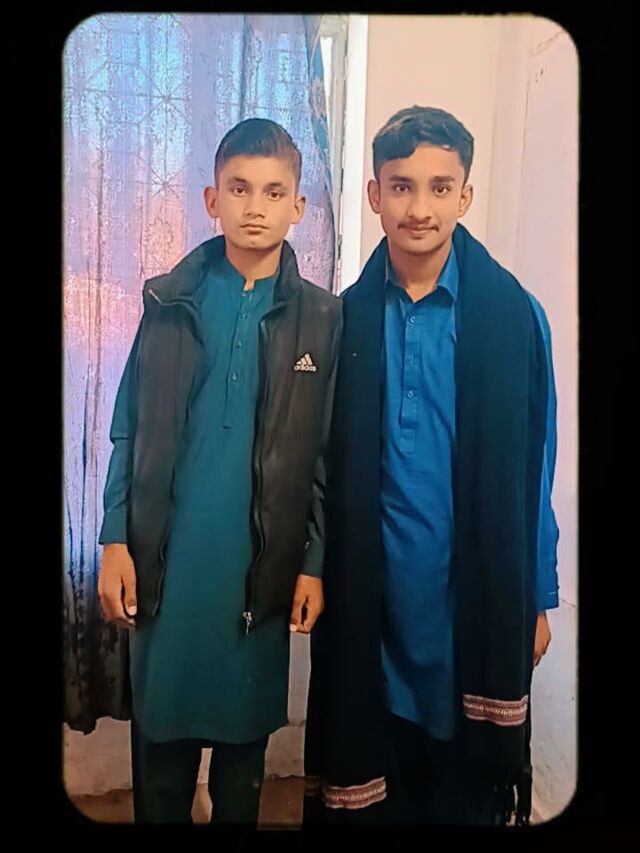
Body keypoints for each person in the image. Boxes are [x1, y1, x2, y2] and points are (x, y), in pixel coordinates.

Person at [303, 105, 559, 827]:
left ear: (465, 195)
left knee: (462, 795)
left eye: (440, 187)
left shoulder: (515, 318)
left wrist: (538, 595)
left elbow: (536, 469)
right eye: (402, 186)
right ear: (374, 194)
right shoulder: (345, 320)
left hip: (469, 601)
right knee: (379, 779)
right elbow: (320, 465)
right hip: (373, 601)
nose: (420, 208)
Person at [97, 117, 342, 824]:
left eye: (273, 192)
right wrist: (114, 537)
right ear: (212, 199)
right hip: (167, 568)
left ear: (299, 207)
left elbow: (324, 454)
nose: (255, 207)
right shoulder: (168, 303)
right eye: (239, 188)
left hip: (257, 577)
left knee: (241, 778)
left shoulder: (322, 319)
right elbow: (128, 427)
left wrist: (312, 564)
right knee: (161, 772)